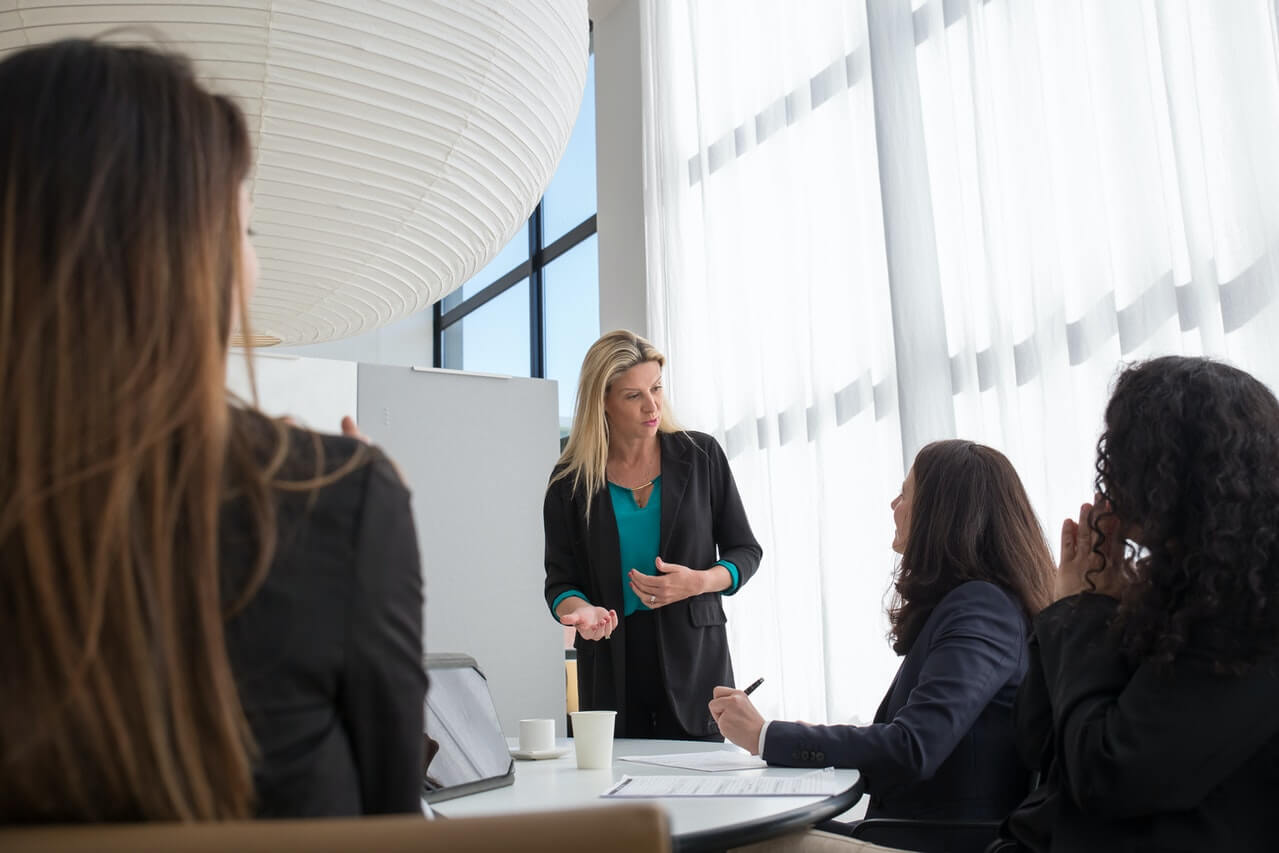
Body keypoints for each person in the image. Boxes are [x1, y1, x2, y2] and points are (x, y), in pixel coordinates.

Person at [0, 39, 426, 822]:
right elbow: (392, 822)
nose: (253, 269)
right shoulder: (340, 503)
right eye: (245, 232)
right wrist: (349, 514)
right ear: (179, 263)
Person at [712, 440, 1054, 850]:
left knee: (728, 841)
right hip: (914, 831)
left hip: (934, 842)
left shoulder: (981, 607)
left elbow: (913, 747)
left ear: (942, 513)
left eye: (907, 494)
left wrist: (765, 735)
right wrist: (799, 737)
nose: (894, 504)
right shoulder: (976, 603)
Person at [1003, 356, 1279, 852]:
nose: (1111, 491)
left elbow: (1109, 773)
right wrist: (1076, 607)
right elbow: (1040, 746)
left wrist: (1079, 612)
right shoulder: (1181, 589)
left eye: (1125, 463)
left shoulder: (1250, 612)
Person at [543, 330, 762, 739]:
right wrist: (583, 611)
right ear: (603, 402)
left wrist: (699, 581)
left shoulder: (701, 457)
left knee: (703, 793)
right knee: (615, 791)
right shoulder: (569, 481)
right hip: (611, 661)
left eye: (656, 388)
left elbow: (745, 550)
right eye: (633, 395)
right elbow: (560, 581)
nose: (652, 405)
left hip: (697, 658)